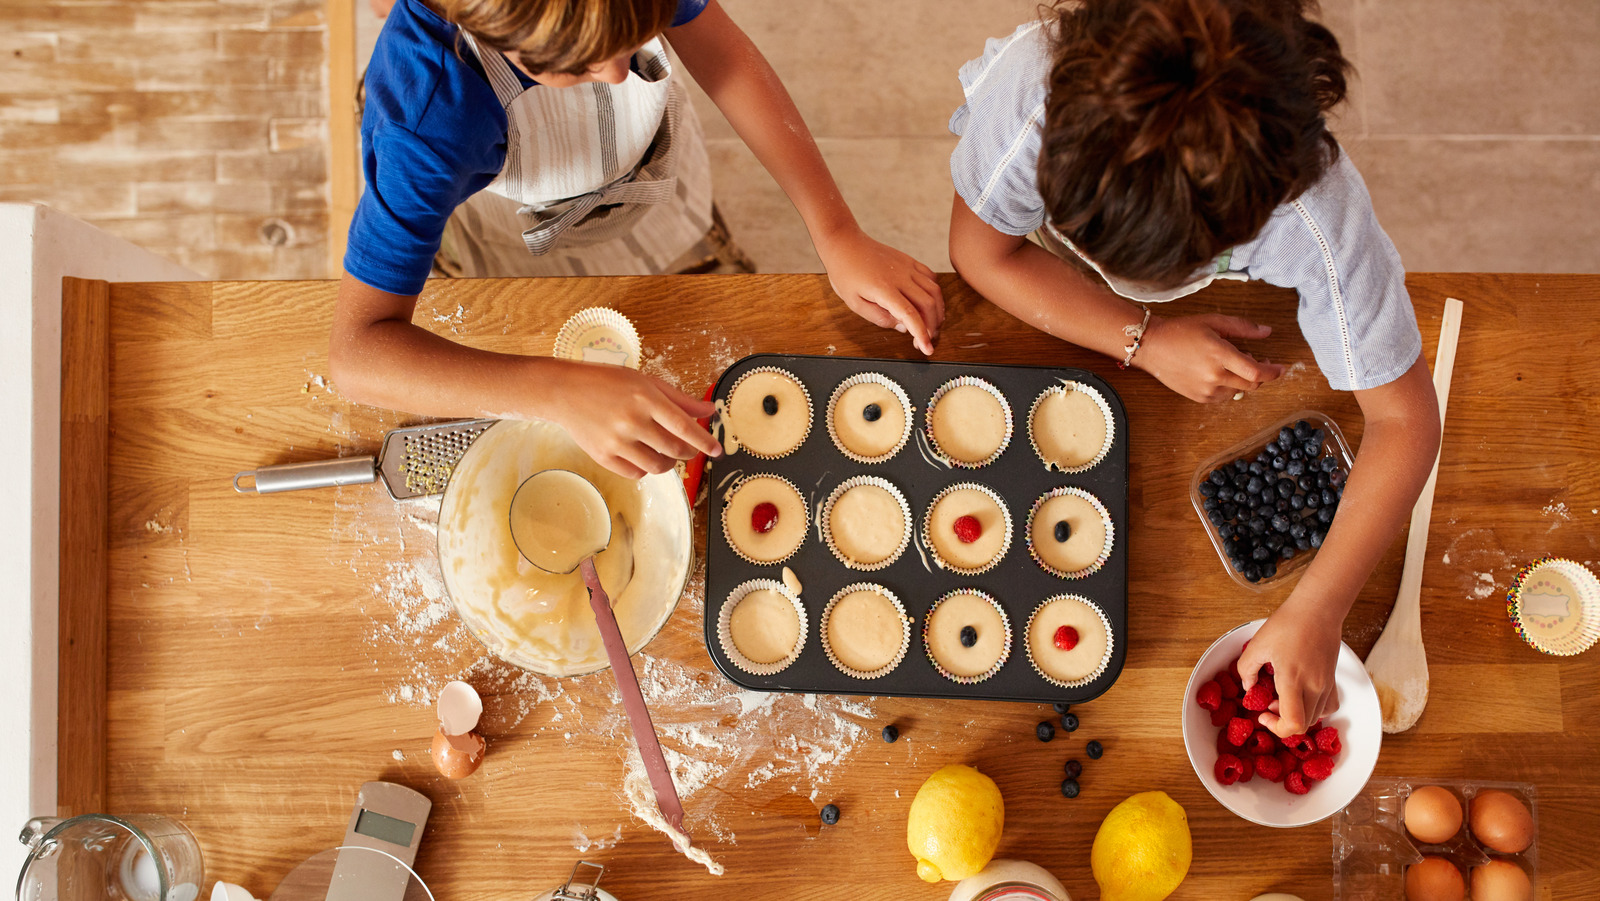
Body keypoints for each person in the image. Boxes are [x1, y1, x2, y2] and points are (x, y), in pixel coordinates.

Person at [946, 0, 1440, 737]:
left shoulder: (1317, 215)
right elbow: (983, 252)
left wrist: (1316, 607)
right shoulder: (1030, 100)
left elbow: (1405, 419)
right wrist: (1140, 337)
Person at [331, 0, 944, 480]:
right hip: (510, 222)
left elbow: (722, 55)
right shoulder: (429, 129)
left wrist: (836, 231)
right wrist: (561, 391)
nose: (620, 75)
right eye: (580, 66)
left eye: (637, 39)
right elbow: (358, 356)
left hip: (636, 167)